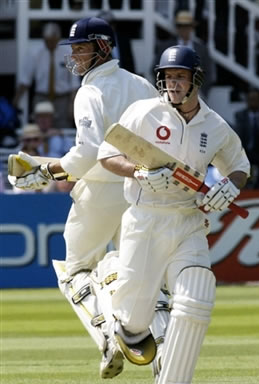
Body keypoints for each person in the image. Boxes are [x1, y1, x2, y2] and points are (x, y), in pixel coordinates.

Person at [9, 17, 169, 380]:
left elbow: (88, 154)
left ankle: (108, 338)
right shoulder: (142, 85)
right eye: (74, 49)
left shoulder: (91, 91)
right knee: (142, 274)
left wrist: (47, 171)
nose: (76, 56)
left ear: (103, 47)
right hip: (141, 191)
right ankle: (165, 346)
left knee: (76, 270)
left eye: (82, 48)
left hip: (100, 191)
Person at [95, 45, 250, 383]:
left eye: (179, 77)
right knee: (134, 328)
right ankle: (110, 277)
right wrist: (138, 170)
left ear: (196, 80)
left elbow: (239, 166)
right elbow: (107, 155)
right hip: (145, 219)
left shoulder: (216, 125)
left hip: (189, 222)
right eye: (166, 77)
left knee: (196, 298)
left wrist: (231, 185)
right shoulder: (144, 112)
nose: (172, 84)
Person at [13, 23, 80, 129]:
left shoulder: (68, 52)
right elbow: (25, 80)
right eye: (48, 40)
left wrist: (72, 106)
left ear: (58, 39)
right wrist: (15, 101)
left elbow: (74, 83)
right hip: (42, 97)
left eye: (53, 40)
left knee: (63, 130)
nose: (50, 43)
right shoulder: (34, 52)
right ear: (44, 39)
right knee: (39, 130)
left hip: (62, 99)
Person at [153, 10, 216, 100]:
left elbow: (209, 72)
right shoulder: (166, 47)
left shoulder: (201, 48)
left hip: (196, 93)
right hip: (171, 92)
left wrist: (202, 91)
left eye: (187, 26)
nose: (184, 29)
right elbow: (156, 69)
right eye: (181, 26)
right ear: (177, 28)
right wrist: (164, 90)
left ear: (191, 28)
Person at [234, 88, 259, 188]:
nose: (253, 102)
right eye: (250, 99)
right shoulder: (240, 115)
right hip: (246, 151)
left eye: (255, 99)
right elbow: (238, 134)